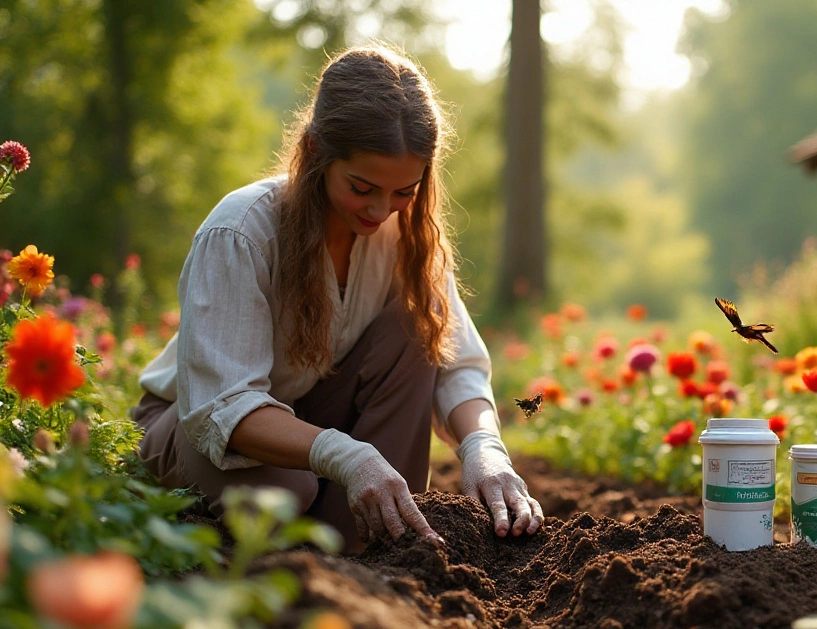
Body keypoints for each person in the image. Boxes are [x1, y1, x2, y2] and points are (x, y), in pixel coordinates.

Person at [130, 45, 542, 553]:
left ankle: (367, 554)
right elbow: (224, 405)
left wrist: (484, 447)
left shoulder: (406, 238)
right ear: (315, 152)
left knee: (421, 324)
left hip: (314, 418)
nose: (380, 210)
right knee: (284, 490)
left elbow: (455, 364)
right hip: (198, 428)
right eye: (362, 186)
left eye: (403, 192)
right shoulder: (241, 231)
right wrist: (342, 454)